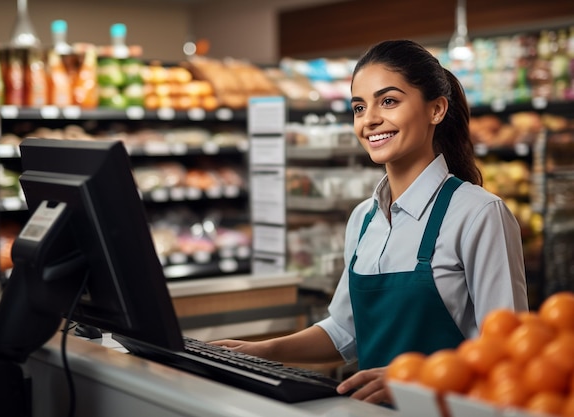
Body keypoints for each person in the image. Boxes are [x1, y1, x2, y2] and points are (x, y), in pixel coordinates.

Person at [212, 39, 529, 405]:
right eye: (359, 107)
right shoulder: (363, 219)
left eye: (389, 101)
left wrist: (418, 378)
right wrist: (260, 351)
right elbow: (344, 330)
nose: (370, 119)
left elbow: (510, 351)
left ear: (436, 109)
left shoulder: (478, 214)